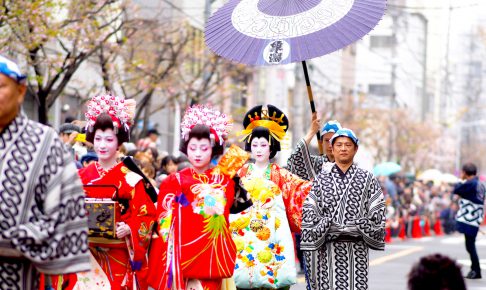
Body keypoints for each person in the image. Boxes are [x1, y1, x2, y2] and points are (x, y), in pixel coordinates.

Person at [0, 54, 90, 289]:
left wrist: (10, 240)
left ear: (20, 91)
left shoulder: (45, 142)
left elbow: (65, 213)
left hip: (20, 277)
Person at [147, 104, 252, 290]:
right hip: (179, 255)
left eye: (203, 148)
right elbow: (163, 219)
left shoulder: (223, 179)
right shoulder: (174, 180)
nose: (197, 153)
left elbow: (222, 212)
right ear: (185, 148)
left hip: (209, 255)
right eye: (192, 147)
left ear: (213, 149)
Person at [75, 93, 157, 289]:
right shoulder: (80, 176)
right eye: (98, 139)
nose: (102, 145)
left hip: (118, 255)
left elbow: (147, 215)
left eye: (109, 139)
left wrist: (129, 227)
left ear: (118, 142)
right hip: (87, 254)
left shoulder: (131, 179)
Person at [231, 105, 312, 289]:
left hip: (272, 237)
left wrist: (321, 184)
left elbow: (301, 190)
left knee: (272, 279)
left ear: (272, 147)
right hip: (244, 237)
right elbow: (219, 184)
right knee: (242, 279)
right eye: (254, 145)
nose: (258, 150)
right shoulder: (240, 171)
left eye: (263, 145)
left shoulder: (280, 174)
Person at [300, 128, 386, 290]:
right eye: (338, 145)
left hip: (356, 249)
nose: (343, 148)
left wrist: (358, 226)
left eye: (348, 145)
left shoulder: (367, 178)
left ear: (356, 149)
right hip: (326, 249)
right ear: (332, 148)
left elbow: (378, 212)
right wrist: (327, 225)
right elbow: (310, 211)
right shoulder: (321, 179)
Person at [286, 113, 342, 181]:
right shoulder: (316, 163)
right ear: (322, 142)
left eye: (334, 140)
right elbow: (295, 158)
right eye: (327, 140)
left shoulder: (348, 166)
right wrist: (312, 131)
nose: (330, 145)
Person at [453, 162, 485, 279]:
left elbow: (456, 189)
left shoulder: (470, 183)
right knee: (470, 244)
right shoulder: (480, 184)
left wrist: (461, 180)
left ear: (465, 173)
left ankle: (476, 270)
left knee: (470, 245)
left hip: (469, 219)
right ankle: (475, 269)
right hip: (475, 217)